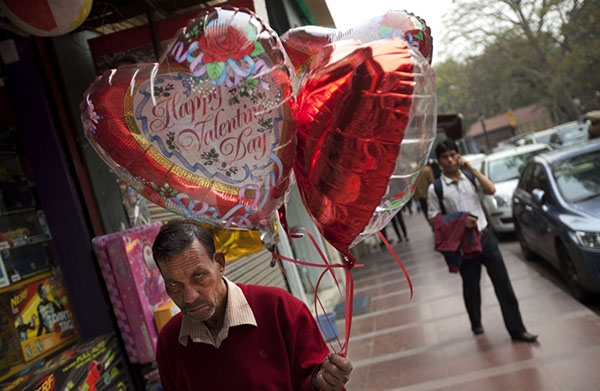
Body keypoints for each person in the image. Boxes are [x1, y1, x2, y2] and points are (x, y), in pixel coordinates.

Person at [152, 220, 353, 391]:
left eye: (199, 276)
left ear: (220, 264)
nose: (189, 297)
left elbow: (313, 379)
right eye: (174, 284)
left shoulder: (281, 309)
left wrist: (322, 383)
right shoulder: (170, 343)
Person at [427, 139, 537, 343]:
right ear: (439, 161)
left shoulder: (470, 177)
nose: (450, 160)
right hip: (464, 245)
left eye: (453, 155)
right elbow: (434, 219)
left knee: (503, 285)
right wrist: (459, 221)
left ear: (458, 155)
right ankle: (475, 321)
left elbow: (491, 190)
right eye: (445, 157)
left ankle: (517, 329)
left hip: (486, 237)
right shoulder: (436, 189)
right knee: (471, 287)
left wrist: (471, 168)